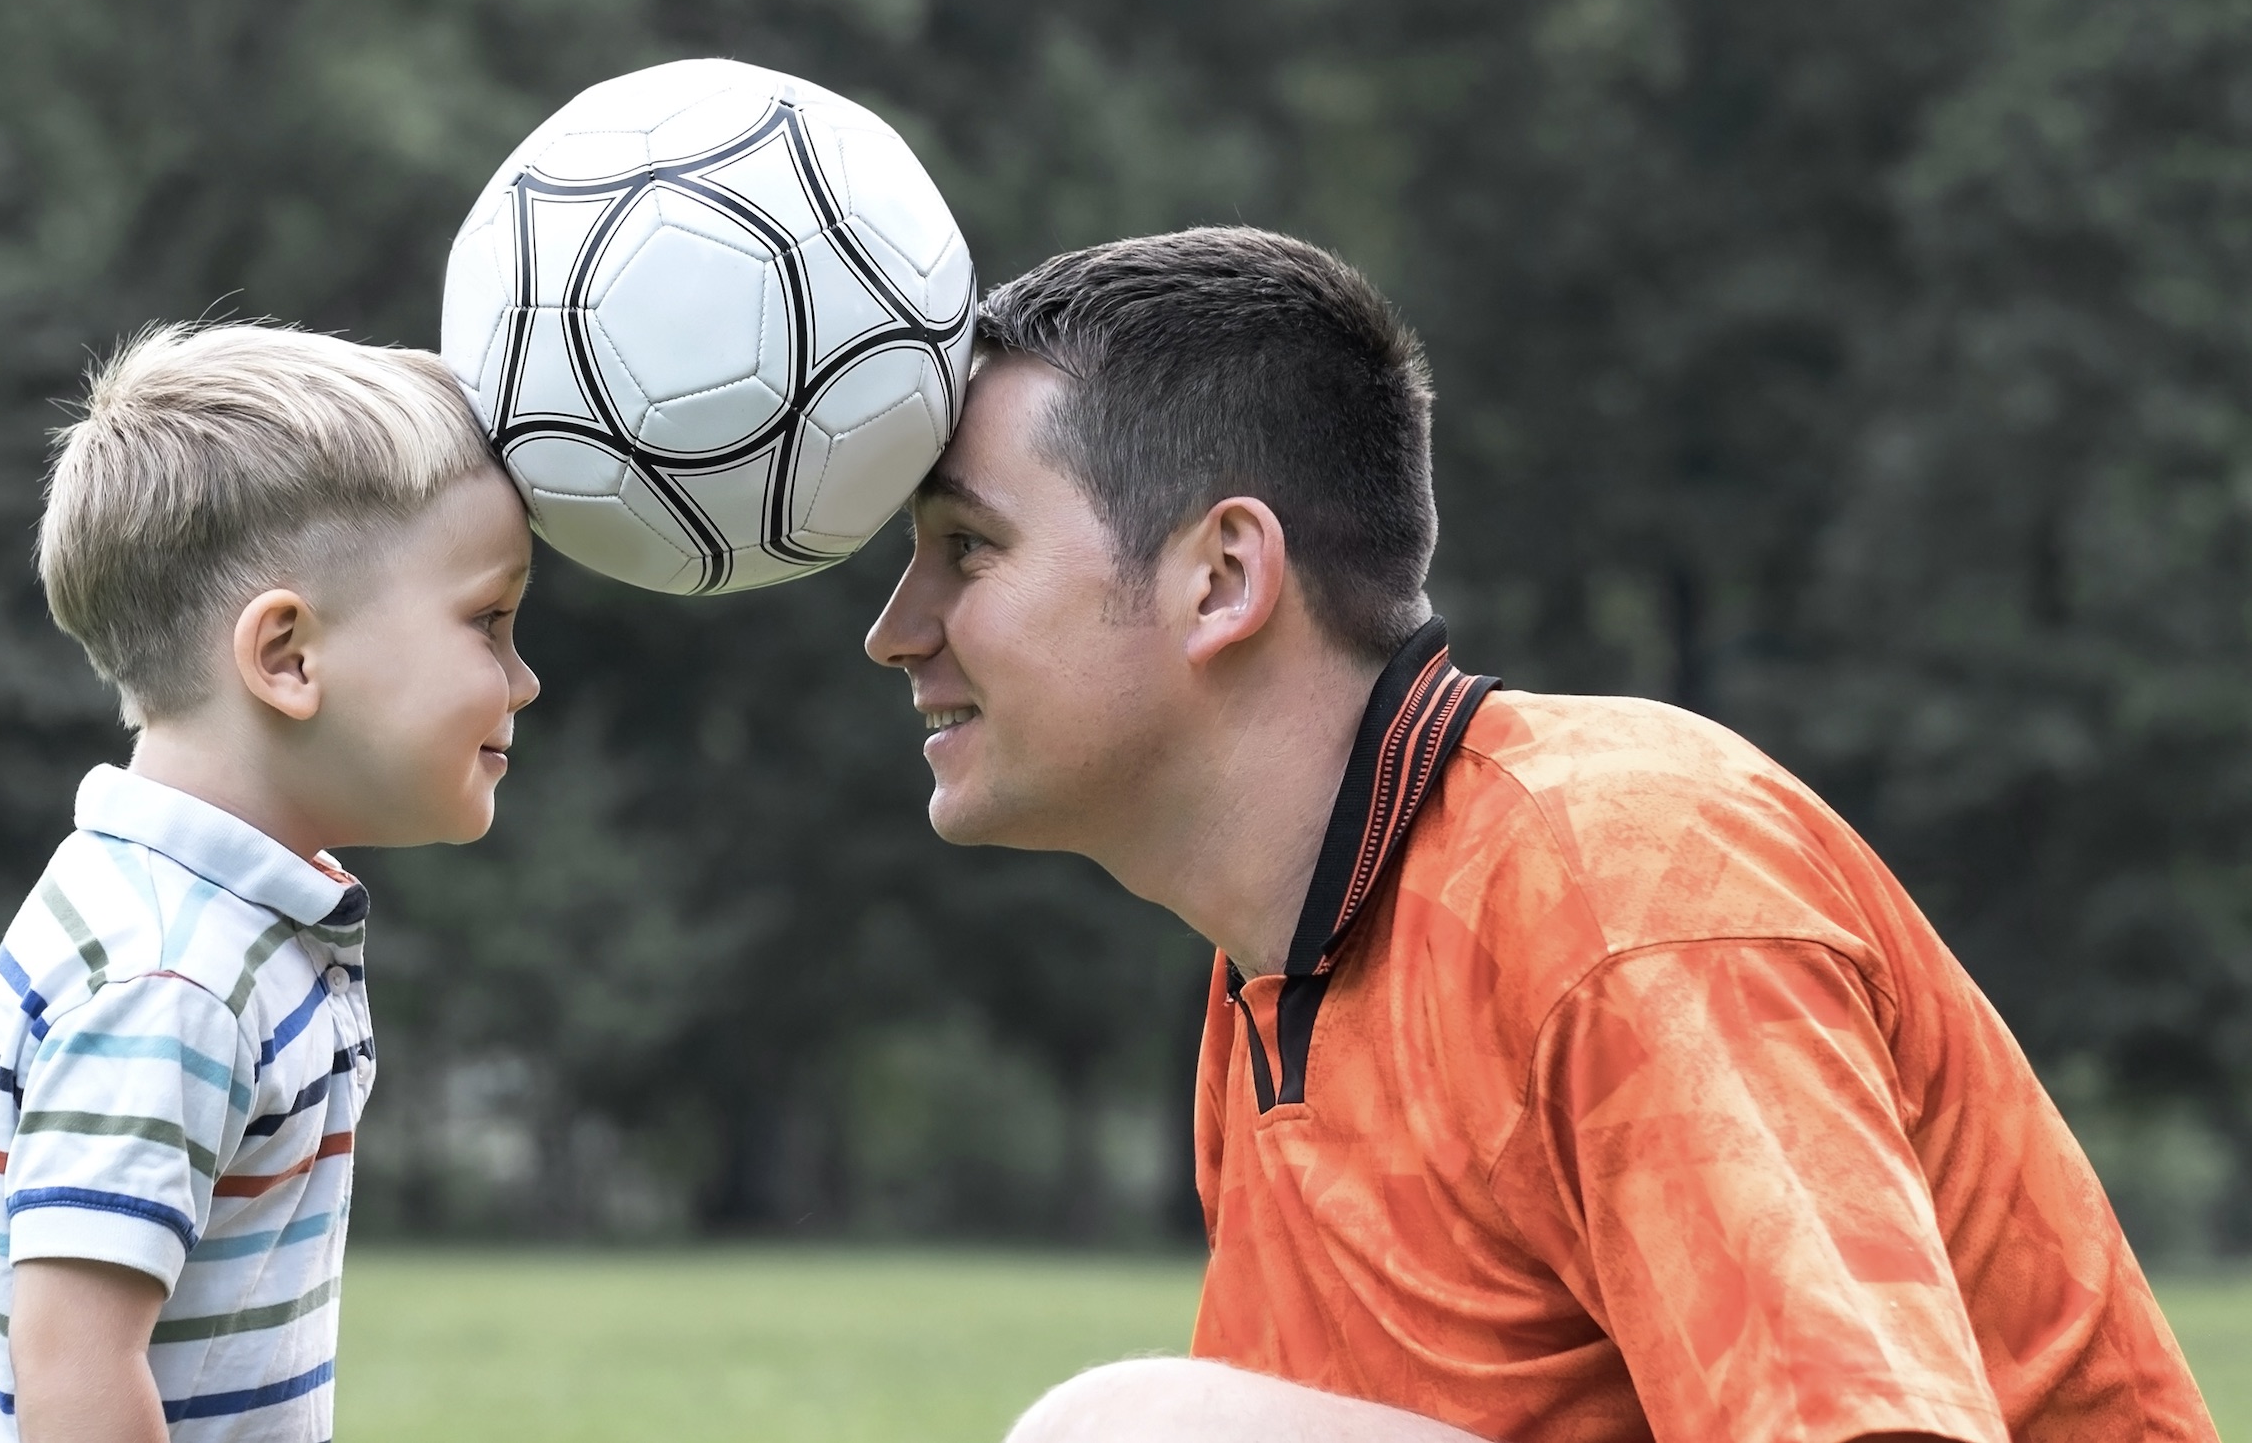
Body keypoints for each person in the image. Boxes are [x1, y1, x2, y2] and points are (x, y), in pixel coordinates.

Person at [863, 228, 2215, 1443]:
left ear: (1221, 577)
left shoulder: (1627, 878)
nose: (895, 628)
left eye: (967, 548)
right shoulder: (1272, 971)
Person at [0, 323, 539, 1443]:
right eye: (488, 621)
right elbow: (74, 1366)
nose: (524, 677)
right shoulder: (174, 973)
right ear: (289, 657)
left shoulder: (213, 920)